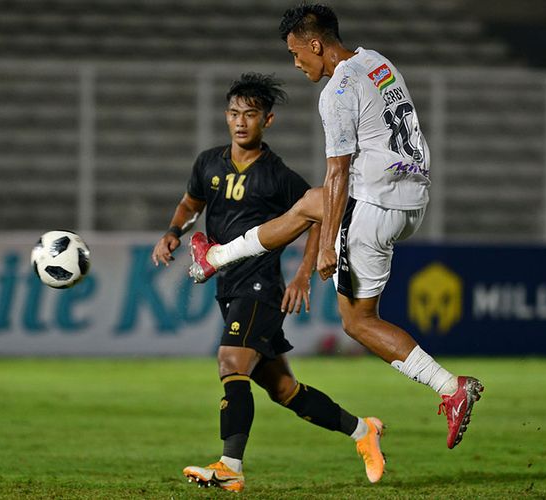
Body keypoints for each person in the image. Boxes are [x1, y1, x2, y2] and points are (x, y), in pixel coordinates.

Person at [188, 4, 483, 451]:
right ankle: (218, 255)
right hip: (410, 196)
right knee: (308, 203)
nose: (296, 63)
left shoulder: (337, 91)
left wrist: (326, 247)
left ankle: (450, 387)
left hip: (375, 204)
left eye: (295, 53)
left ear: (315, 44)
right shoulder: (377, 62)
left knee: (357, 321)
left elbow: (338, 173)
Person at [152, 73, 386, 492]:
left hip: (261, 286)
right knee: (282, 389)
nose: (241, 122)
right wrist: (174, 230)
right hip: (229, 287)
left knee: (230, 362)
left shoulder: (278, 175)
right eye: (234, 113)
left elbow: (319, 213)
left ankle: (230, 466)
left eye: (251, 114)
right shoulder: (208, 163)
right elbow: (192, 203)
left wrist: (302, 275)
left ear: (268, 120)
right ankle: (363, 430)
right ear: (226, 116)